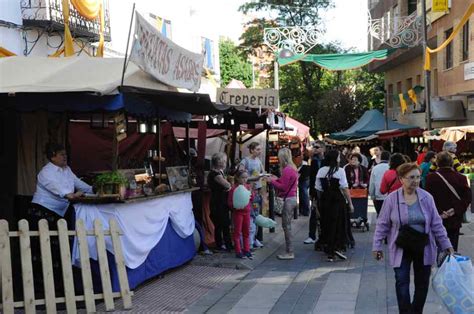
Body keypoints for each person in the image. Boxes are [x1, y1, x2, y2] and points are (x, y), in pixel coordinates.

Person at [372, 163, 454, 314]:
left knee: (422, 284)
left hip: (424, 246)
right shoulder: (391, 199)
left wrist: (446, 244)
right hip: (401, 246)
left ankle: (416, 311)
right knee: (401, 282)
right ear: (401, 179)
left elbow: (436, 223)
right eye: (411, 178)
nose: (415, 181)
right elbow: (382, 223)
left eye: (417, 177)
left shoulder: (427, 197)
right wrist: (376, 246)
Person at [31, 143, 93, 228]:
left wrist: (93, 189)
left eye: (65, 154)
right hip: (43, 210)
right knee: (44, 239)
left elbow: (78, 183)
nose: (65, 157)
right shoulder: (46, 172)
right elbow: (61, 191)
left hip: (59, 211)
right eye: (62, 154)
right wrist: (73, 195)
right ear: (53, 157)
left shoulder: (67, 169)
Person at [425, 152, 472, 251]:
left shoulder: (430, 178)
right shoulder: (461, 178)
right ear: (452, 163)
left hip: (437, 217)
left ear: (437, 163)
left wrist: (440, 211)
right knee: (452, 247)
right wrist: (455, 209)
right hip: (454, 218)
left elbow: (427, 198)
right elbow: (467, 197)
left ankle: (440, 264)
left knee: (437, 247)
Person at [316, 150, 354, 262]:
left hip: (325, 199)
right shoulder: (340, 171)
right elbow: (344, 188)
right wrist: (350, 203)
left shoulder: (321, 171)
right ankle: (337, 246)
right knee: (338, 223)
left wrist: (318, 203)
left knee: (326, 223)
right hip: (337, 200)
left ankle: (329, 247)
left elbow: (318, 189)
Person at [265, 148, 299, 260]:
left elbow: (283, 187)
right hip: (292, 198)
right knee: (287, 226)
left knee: (286, 226)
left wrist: (272, 181)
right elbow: (285, 183)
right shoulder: (292, 168)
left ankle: (290, 252)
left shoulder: (287, 169)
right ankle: (290, 250)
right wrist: (276, 179)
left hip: (288, 200)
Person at [239, 142, 265, 249]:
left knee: (256, 215)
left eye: (260, 149)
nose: (260, 151)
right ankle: (249, 240)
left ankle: (254, 238)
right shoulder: (245, 161)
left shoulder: (258, 160)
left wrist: (263, 176)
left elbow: (262, 171)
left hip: (257, 191)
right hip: (248, 192)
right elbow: (240, 175)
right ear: (252, 150)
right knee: (251, 216)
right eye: (258, 149)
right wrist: (251, 179)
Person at [208, 152, 232, 251]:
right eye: (224, 161)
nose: (225, 163)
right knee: (222, 224)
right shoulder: (215, 174)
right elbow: (227, 185)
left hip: (221, 201)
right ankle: (225, 244)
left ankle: (223, 244)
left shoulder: (219, 172)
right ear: (218, 162)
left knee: (222, 224)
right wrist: (229, 186)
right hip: (218, 202)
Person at [228, 169, 254, 259]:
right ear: (238, 178)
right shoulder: (234, 189)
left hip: (247, 212)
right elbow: (230, 202)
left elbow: (251, 199)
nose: (244, 180)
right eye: (242, 178)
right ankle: (238, 251)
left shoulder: (247, 187)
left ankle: (247, 250)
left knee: (246, 232)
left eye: (246, 178)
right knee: (237, 232)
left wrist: (251, 192)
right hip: (238, 213)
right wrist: (235, 206)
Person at [305, 140, 326, 245]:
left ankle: (323, 235)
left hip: (325, 190)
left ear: (323, 149)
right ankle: (311, 235)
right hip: (315, 190)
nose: (315, 149)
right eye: (314, 147)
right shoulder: (313, 161)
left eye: (317, 147)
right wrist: (311, 193)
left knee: (324, 213)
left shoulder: (326, 161)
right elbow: (312, 178)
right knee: (313, 212)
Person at [369, 151, 390, 217]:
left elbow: (372, 183)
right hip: (390, 196)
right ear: (389, 158)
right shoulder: (391, 168)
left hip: (378, 196)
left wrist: (372, 195)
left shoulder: (375, 168)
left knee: (380, 216)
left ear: (381, 158)